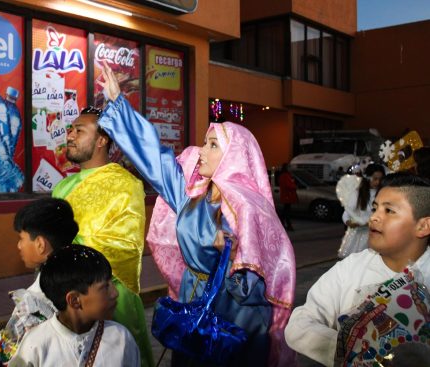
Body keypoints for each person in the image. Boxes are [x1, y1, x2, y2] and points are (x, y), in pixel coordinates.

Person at [97, 61, 296, 366]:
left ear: (234, 156)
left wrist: (230, 256)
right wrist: (118, 103)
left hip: (232, 311)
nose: (201, 150)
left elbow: (253, 283)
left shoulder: (248, 208)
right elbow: (156, 160)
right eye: (205, 142)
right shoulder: (194, 194)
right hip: (191, 299)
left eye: (213, 145)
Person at [284, 173, 430, 366]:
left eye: (389, 211)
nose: (375, 217)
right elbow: (300, 324)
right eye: (375, 208)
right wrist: (356, 353)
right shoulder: (350, 268)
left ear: (423, 225)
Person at [51, 107, 153, 366]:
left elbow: (125, 248)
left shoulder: (125, 184)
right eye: (70, 130)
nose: (70, 136)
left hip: (110, 300)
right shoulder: (62, 187)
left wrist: (66, 250)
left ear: (101, 140)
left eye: (79, 130)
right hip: (67, 297)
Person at [9, 245, 140, 367]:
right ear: (74, 300)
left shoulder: (121, 338)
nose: (115, 293)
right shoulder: (36, 345)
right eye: (105, 287)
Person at [0, 198, 79, 364]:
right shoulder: (87, 277)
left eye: (22, 238)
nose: (19, 246)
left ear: (40, 244)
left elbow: (8, 356)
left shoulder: (33, 302)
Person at [337, 163, 385, 258]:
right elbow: (346, 214)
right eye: (375, 179)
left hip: (377, 235)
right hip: (359, 237)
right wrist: (349, 222)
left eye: (381, 179)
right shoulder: (357, 193)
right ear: (367, 178)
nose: (378, 182)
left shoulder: (384, 193)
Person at [278, 163, 298, 231]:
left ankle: (284, 223)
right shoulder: (285, 175)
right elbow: (288, 185)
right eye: (289, 167)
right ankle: (287, 224)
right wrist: (294, 185)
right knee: (287, 211)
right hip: (287, 195)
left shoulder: (285, 175)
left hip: (287, 195)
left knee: (286, 210)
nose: (290, 168)